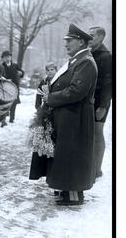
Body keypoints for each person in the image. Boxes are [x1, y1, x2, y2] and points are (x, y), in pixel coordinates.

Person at [43, 23, 98, 206]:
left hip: (77, 117)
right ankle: (66, 190)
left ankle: (73, 194)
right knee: (67, 154)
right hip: (70, 115)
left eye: (70, 40)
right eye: (66, 40)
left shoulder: (86, 62)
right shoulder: (77, 60)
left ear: (81, 42)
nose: (66, 43)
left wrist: (51, 98)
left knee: (73, 154)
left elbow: (76, 91)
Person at [88, 26, 112, 179]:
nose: (89, 38)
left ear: (101, 37)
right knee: (90, 133)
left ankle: (97, 169)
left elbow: (109, 83)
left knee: (97, 133)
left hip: (100, 101)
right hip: (89, 99)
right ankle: (90, 166)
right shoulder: (90, 53)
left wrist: (103, 106)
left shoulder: (106, 56)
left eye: (92, 35)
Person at [1, 50, 24, 126]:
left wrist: (21, 73)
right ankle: (4, 118)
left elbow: (22, 72)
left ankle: (12, 118)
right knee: (5, 102)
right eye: (5, 57)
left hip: (15, 86)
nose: (7, 58)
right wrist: (6, 80)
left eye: (9, 57)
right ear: (3, 58)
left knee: (14, 102)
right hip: (5, 87)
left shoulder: (15, 65)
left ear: (10, 57)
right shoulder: (1, 66)